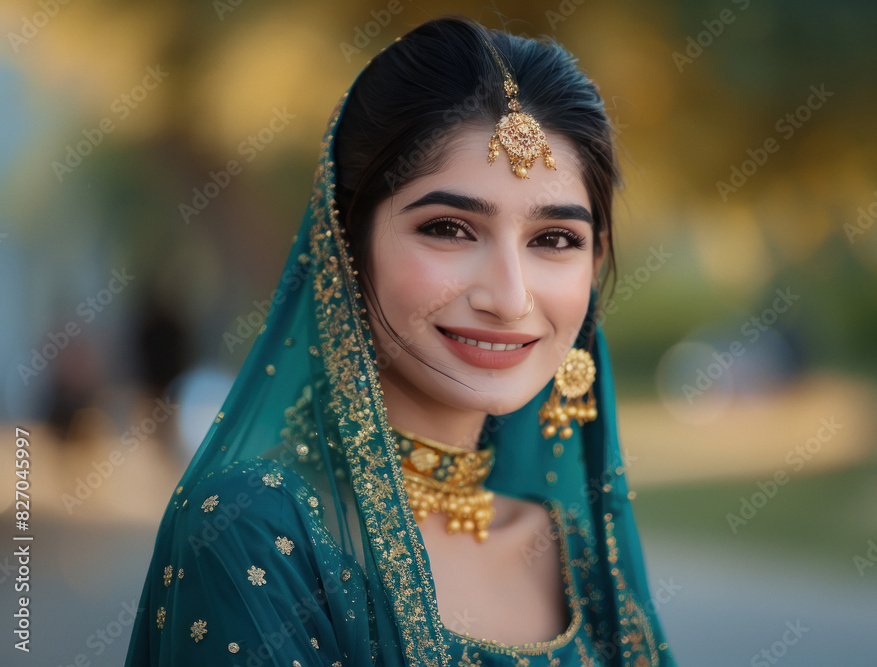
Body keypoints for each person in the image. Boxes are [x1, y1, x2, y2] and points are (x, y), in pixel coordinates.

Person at [125, 15, 677, 666]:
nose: (509, 297)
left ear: (597, 259)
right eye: (449, 228)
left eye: (554, 240)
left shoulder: (578, 551)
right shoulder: (251, 528)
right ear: (346, 242)